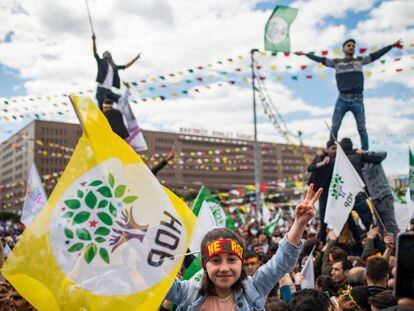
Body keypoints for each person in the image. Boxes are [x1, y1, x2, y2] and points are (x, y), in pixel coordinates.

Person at [165, 184, 323, 310]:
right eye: (216, 261)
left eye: (232, 259)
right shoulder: (187, 292)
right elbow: (150, 274)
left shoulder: (253, 288)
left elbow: (282, 262)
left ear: (241, 263)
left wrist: (299, 223)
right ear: (205, 265)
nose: (224, 268)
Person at [295, 38, 402, 150]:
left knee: (362, 128)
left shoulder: (360, 61)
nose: (351, 47)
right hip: (342, 99)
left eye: (353, 46)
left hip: (357, 99)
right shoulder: (337, 63)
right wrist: (305, 54)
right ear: (343, 48)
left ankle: (365, 151)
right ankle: (331, 149)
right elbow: (321, 60)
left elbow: (375, 55)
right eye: (349, 45)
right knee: (335, 127)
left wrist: (391, 46)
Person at [92, 34, 141, 110]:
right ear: (104, 56)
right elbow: (95, 52)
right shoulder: (101, 62)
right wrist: (94, 40)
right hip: (101, 90)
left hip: (109, 91)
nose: (107, 55)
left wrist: (135, 59)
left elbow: (126, 65)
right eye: (105, 54)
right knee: (102, 108)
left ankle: (119, 115)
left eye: (108, 54)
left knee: (120, 99)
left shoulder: (114, 67)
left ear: (110, 57)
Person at [362, 152, 400, 237]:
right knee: (381, 228)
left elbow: (384, 154)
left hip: (384, 196)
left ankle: (400, 248)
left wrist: (365, 154)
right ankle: (387, 249)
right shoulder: (360, 167)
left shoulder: (373, 160)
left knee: (390, 226)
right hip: (375, 200)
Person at [308, 140, 336, 243]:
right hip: (323, 193)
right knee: (324, 218)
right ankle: (322, 241)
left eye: (336, 148)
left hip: (334, 193)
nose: (335, 151)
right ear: (328, 149)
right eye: (333, 148)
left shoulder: (337, 158)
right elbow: (310, 168)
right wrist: (322, 162)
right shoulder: (322, 156)